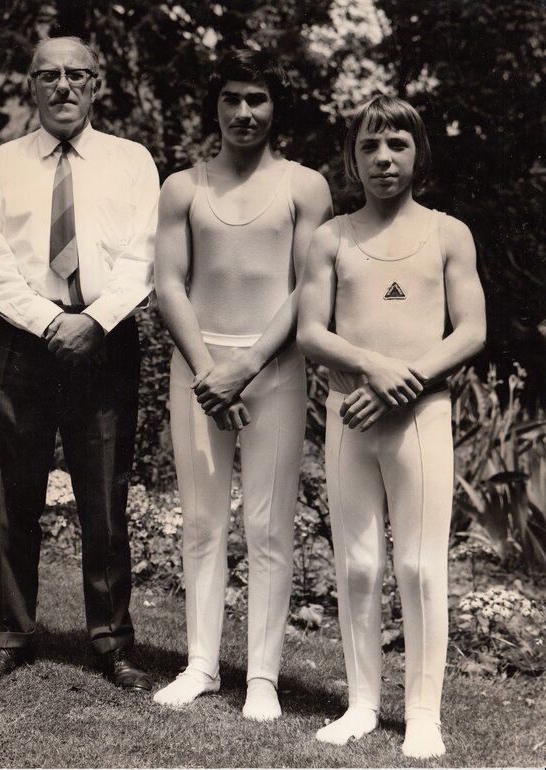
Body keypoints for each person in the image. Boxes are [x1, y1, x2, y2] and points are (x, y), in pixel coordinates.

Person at [0, 36, 160, 690]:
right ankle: (9, 635)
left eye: (77, 75)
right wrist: (52, 321)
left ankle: (110, 643)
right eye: (48, 76)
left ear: (98, 84)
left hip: (103, 344)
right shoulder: (2, 164)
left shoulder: (132, 162)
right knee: (10, 496)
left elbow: (143, 259)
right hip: (18, 342)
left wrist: (93, 322)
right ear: (31, 85)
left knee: (102, 499)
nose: (63, 87)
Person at [297, 95, 485, 758]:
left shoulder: (446, 233)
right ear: (352, 157)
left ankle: (422, 714)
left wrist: (404, 384)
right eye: (369, 146)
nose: (382, 158)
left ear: (418, 154)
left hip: (420, 420)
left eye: (396, 145)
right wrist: (374, 369)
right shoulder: (332, 237)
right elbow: (309, 332)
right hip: (350, 416)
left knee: (418, 566)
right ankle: (360, 705)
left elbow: (470, 330)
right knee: (355, 564)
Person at [152, 49, 333, 718]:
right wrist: (207, 369)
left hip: (272, 372)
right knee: (200, 523)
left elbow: (307, 287)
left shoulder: (303, 186)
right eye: (231, 98)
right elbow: (169, 282)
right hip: (197, 373)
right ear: (215, 105)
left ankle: (261, 676)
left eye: (255, 99)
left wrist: (247, 365)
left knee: (266, 527)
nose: (243, 112)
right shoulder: (183, 187)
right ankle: (200, 664)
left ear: (274, 107)